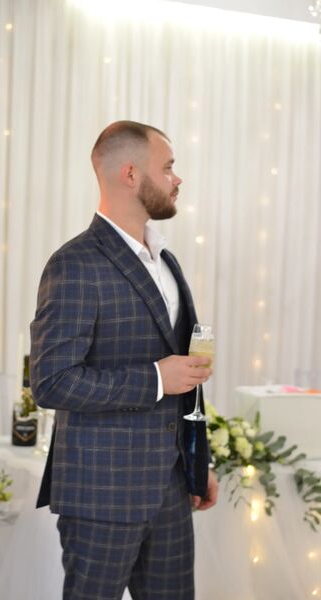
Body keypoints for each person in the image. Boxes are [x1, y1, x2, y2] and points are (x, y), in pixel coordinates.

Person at [30, 120, 218, 600]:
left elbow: (185, 377)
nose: (178, 178)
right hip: (101, 495)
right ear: (130, 174)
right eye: (168, 167)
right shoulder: (75, 263)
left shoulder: (167, 261)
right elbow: (52, 381)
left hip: (172, 489)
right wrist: (155, 378)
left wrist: (199, 463)